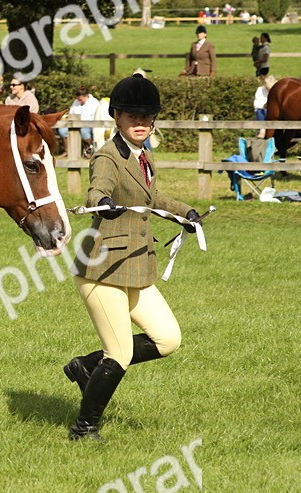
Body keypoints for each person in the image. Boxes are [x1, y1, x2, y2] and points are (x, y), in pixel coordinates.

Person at [65, 76, 201, 441]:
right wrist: (101, 204)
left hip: (136, 266)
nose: (140, 122)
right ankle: (84, 427)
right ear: (116, 118)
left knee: (168, 339)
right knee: (121, 352)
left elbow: (152, 199)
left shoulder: (145, 155)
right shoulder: (107, 156)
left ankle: (85, 367)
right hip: (102, 269)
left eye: (147, 116)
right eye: (131, 116)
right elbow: (98, 189)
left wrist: (185, 212)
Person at [59, 85, 101, 155]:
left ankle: (89, 150)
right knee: (62, 130)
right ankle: (68, 151)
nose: (79, 101)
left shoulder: (95, 103)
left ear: (86, 96)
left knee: (84, 131)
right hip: (75, 124)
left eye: (80, 99)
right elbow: (71, 113)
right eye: (78, 99)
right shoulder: (76, 102)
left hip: (89, 125)